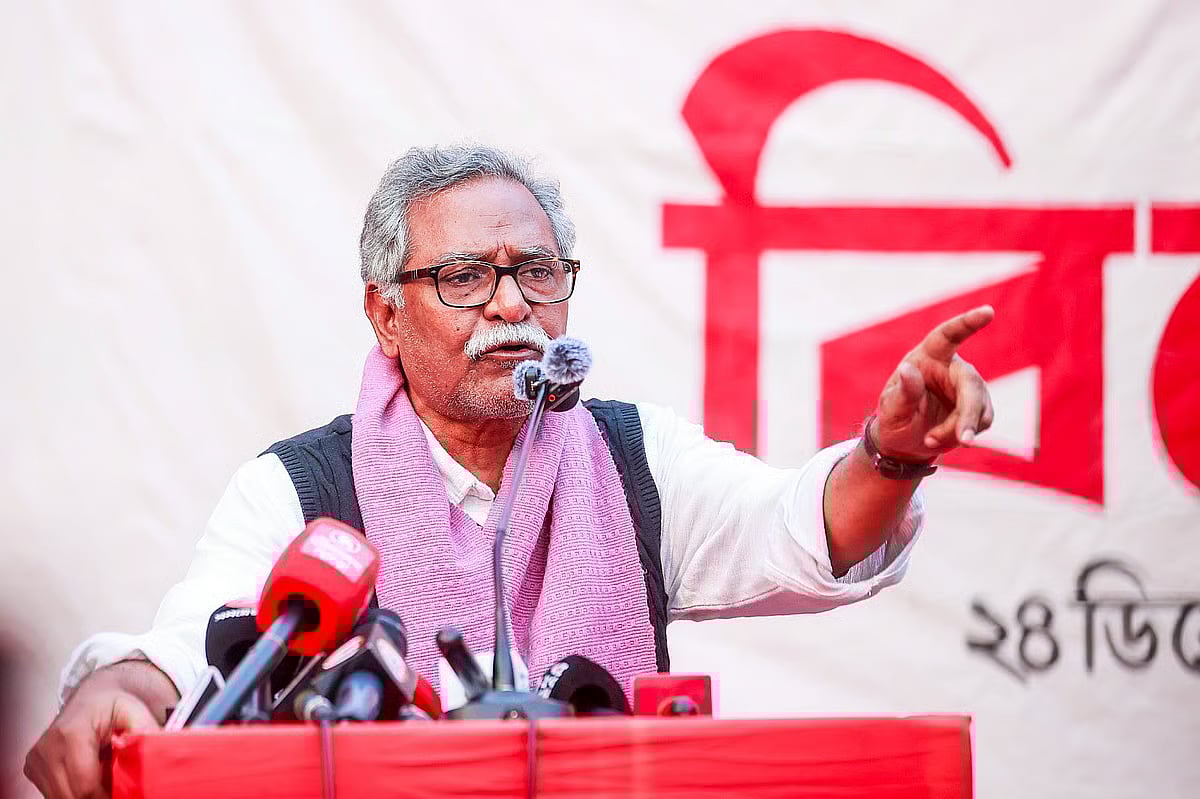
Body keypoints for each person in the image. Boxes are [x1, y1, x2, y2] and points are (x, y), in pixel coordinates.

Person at [25, 145, 994, 798]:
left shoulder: (630, 456)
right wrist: (120, 680)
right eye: (462, 277)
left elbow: (798, 531)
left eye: (536, 271)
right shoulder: (300, 490)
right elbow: (196, 647)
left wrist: (893, 452)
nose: (507, 304)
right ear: (383, 313)